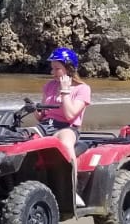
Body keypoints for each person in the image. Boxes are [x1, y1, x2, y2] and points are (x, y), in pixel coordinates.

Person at [37, 47, 92, 204]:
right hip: (46, 125)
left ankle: (72, 190)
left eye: (57, 69)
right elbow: (42, 114)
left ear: (69, 69)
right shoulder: (49, 86)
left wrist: (65, 91)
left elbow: (70, 115)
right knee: (20, 137)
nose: (52, 72)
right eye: (52, 68)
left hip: (67, 127)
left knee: (66, 143)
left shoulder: (83, 89)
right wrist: (37, 111)